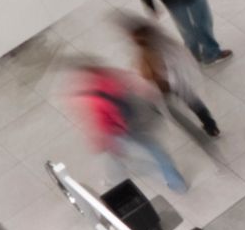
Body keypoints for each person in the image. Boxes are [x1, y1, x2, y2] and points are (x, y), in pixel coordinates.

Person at [70, 62, 187, 192]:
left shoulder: (94, 99)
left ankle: (115, 180)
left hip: (122, 129)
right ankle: (176, 182)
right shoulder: (107, 76)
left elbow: (102, 123)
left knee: (116, 157)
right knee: (155, 149)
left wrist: (100, 142)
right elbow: (132, 82)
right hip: (135, 119)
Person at [127, 18, 220, 138]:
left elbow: (146, 75)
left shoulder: (146, 56)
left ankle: (208, 126)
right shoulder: (163, 48)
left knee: (188, 103)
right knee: (194, 103)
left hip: (166, 85)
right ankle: (211, 126)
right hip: (175, 82)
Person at [137, 0, 233, 66]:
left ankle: (195, 55)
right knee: (201, 21)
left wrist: (150, 5)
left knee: (188, 27)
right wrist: (149, 4)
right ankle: (208, 53)